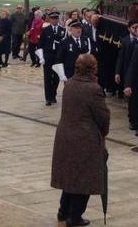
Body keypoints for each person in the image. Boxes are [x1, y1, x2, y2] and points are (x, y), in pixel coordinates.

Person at [51, 54, 109, 227]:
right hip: (85, 138)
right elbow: (103, 116)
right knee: (84, 178)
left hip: (65, 136)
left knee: (70, 176)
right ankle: (75, 215)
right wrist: (103, 133)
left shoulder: (69, 84)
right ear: (91, 69)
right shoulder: (93, 88)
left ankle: (63, 210)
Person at [40, 12, 66, 105]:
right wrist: (41, 57)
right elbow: (40, 44)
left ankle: (53, 95)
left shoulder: (62, 30)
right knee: (47, 77)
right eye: (52, 18)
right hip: (48, 55)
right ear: (50, 19)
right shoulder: (45, 30)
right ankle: (48, 98)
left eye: (56, 18)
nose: (54, 20)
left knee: (56, 77)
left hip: (58, 57)